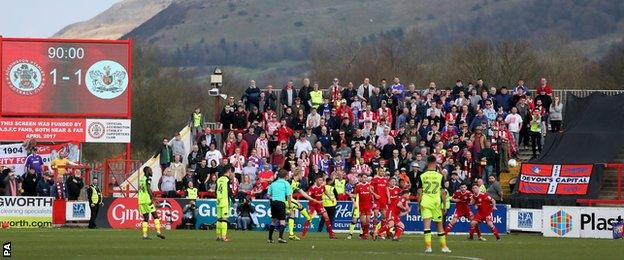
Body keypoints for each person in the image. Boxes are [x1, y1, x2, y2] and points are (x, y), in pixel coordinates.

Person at [418, 155, 451, 253]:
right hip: (436, 203)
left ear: (427, 163)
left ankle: (428, 247)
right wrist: (444, 205)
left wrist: (418, 205)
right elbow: (443, 192)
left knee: (427, 226)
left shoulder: (422, 176)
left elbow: (419, 192)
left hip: (425, 202)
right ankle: (444, 247)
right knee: (439, 226)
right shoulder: (440, 176)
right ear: (435, 163)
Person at [286, 170, 315, 240]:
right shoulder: (289, 181)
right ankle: (309, 218)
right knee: (299, 205)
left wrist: (311, 199)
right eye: (301, 174)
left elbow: (303, 193)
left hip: (288, 199)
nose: (302, 176)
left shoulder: (297, 183)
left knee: (291, 214)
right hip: (286, 199)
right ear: (298, 174)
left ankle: (291, 234)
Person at [138, 167, 165, 240]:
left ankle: (144, 235)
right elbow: (148, 188)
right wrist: (153, 198)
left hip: (141, 200)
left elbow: (140, 188)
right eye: (151, 170)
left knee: (146, 218)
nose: (152, 172)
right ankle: (158, 232)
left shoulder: (142, 179)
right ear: (147, 171)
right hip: (147, 200)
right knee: (155, 215)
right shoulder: (148, 179)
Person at [267, 170, 292, 243]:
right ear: (285, 176)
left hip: (274, 203)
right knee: (282, 221)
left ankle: (270, 238)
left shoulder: (273, 183)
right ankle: (280, 238)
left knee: (273, 220)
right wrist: (290, 206)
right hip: (281, 203)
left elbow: (268, 195)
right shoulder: (286, 183)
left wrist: (273, 198)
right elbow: (289, 196)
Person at [352, 174, 376, 240]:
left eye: (366, 177)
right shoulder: (358, 186)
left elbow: (372, 195)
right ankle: (364, 233)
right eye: (363, 177)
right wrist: (352, 198)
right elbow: (355, 195)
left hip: (368, 205)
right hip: (361, 206)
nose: (365, 178)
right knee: (363, 221)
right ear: (361, 178)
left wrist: (373, 202)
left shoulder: (369, 186)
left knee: (368, 220)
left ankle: (365, 234)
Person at [216, 167, 234, 242]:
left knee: (219, 219)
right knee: (224, 219)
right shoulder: (227, 180)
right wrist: (233, 199)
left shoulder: (219, 179)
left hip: (218, 200)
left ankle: (218, 236)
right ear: (229, 171)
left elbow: (215, 190)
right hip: (224, 200)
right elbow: (229, 191)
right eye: (231, 172)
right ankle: (224, 237)